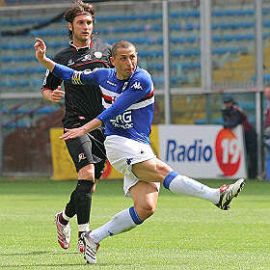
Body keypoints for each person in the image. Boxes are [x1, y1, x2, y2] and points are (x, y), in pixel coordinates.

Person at [34, 38, 245, 264]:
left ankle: (93, 238)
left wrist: (84, 128)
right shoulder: (102, 76)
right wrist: (44, 60)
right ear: (112, 61)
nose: (129, 62)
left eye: (133, 56)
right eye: (123, 58)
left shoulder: (141, 79)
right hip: (117, 143)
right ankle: (216, 196)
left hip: (140, 145)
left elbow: (117, 107)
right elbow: (71, 75)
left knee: (146, 207)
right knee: (163, 171)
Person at [40, 0, 112, 253]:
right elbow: (47, 88)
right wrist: (51, 95)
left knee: (88, 186)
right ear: (70, 26)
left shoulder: (107, 53)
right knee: (87, 175)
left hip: (101, 126)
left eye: (89, 22)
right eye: (81, 22)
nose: (86, 26)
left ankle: (63, 218)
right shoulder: (61, 58)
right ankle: (85, 235)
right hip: (75, 124)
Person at [221, 95, 257, 179]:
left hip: (248, 134)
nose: (226, 105)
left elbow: (234, 123)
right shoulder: (226, 111)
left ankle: (252, 175)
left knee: (251, 154)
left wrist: (226, 125)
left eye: (228, 103)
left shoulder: (236, 110)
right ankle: (247, 174)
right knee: (243, 154)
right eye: (225, 103)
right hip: (240, 135)